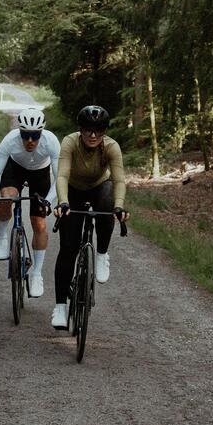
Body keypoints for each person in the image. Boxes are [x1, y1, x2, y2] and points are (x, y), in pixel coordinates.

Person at [49, 103, 126, 329]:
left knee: (107, 203)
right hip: (72, 189)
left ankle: (101, 253)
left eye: (99, 131)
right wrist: (63, 202)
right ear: (80, 129)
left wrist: (119, 207)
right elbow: (61, 175)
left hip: (99, 186)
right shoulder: (70, 142)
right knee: (68, 249)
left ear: (104, 132)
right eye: (88, 130)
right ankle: (60, 307)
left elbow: (119, 180)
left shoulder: (111, 146)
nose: (93, 135)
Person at [0, 105, 58, 298]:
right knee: (7, 198)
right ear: (20, 132)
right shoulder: (10, 141)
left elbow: (60, 179)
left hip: (41, 173)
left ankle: (36, 274)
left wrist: (48, 202)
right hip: (15, 169)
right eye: (25, 135)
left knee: (39, 223)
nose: (30, 141)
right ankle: (1, 238)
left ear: (41, 132)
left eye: (35, 135)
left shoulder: (51, 141)